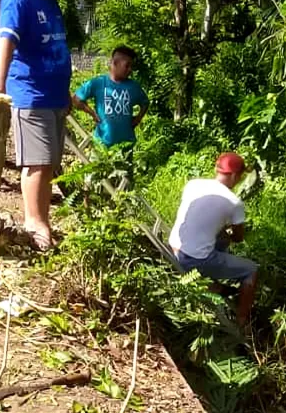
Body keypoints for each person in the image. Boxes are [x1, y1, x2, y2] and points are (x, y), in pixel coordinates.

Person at [0, 0, 81, 250]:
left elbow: (52, 48)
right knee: (37, 163)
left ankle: (43, 219)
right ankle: (34, 222)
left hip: (54, 95)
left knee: (50, 163)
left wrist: (64, 91)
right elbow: (6, 40)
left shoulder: (50, 1)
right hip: (31, 94)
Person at [169, 152, 258, 325]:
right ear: (234, 175)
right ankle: (242, 321)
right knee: (251, 270)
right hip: (193, 261)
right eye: (240, 176)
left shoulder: (193, 184)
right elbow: (239, 238)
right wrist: (228, 229)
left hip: (173, 247)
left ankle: (214, 285)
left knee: (221, 240)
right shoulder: (234, 202)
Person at [71, 46, 149, 148]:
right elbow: (76, 99)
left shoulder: (133, 87)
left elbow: (145, 102)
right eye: (127, 65)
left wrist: (138, 118)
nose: (130, 70)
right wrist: (92, 113)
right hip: (102, 144)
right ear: (115, 63)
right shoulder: (98, 83)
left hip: (126, 145)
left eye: (131, 66)